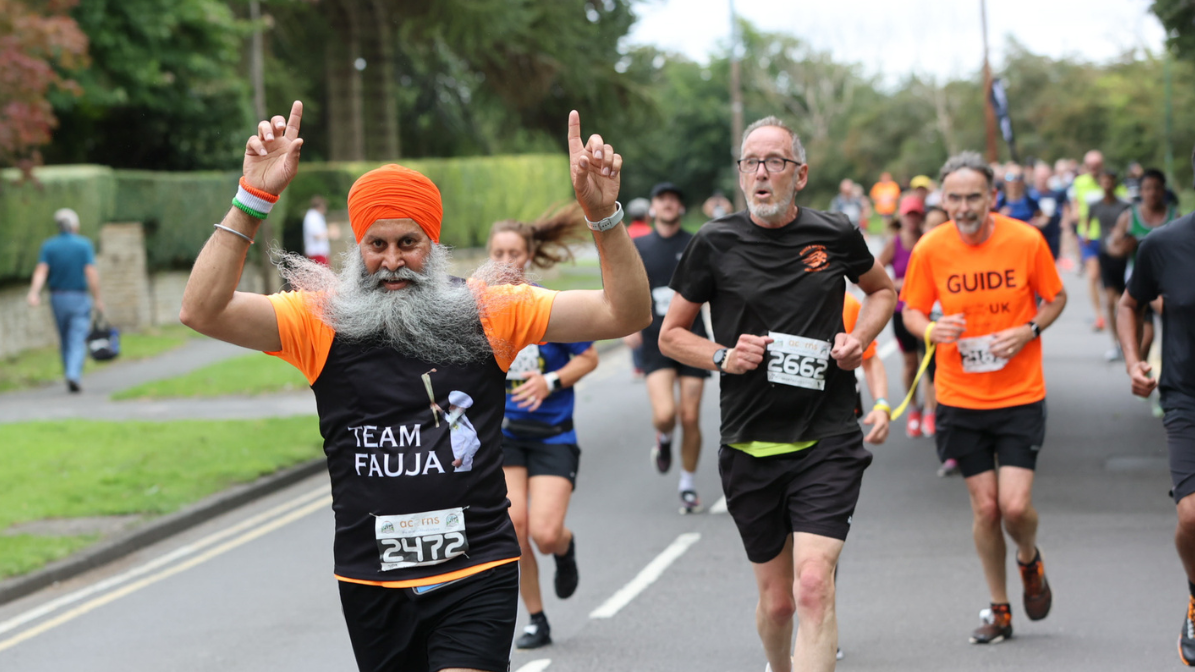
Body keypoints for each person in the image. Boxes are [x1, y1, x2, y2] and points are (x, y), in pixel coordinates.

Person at [178, 101, 650, 672]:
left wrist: (603, 217)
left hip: (476, 571)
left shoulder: (489, 311)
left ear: (434, 244)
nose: (393, 261)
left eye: (409, 243)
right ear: (358, 249)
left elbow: (624, 313)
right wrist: (251, 200)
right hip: (372, 581)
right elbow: (202, 310)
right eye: (376, 245)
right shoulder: (320, 319)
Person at [659, 116, 896, 672]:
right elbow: (671, 336)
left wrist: (858, 338)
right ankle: (779, 664)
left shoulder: (834, 233)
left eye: (774, 162)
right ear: (741, 174)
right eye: (751, 163)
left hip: (827, 437)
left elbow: (883, 292)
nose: (761, 173)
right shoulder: (713, 242)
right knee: (779, 602)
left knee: (813, 585)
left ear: (800, 174)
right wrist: (723, 356)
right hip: (750, 443)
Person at [900, 151, 1066, 645]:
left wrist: (1028, 330)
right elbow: (911, 311)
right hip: (959, 397)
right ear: (944, 199)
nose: (964, 207)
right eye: (954, 198)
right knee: (986, 509)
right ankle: (1000, 609)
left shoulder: (1025, 240)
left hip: (1019, 394)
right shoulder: (931, 247)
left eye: (973, 197)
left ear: (992, 197)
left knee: (1014, 508)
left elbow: (1056, 297)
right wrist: (931, 329)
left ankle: (1029, 558)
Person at [486, 205, 599, 649]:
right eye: (498, 253)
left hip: (553, 435)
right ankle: (536, 618)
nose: (505, 262)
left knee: (545, 534)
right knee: (514, 527)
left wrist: (549, 381)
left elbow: (588, 358)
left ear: (528, 256)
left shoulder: (548, 307)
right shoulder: (478, 311)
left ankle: (565, 548)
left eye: (514, 253)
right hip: (505, 438)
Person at [1116, 147, 1195, 667]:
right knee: (1192, 516)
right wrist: (1134, 360)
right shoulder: (1165, 244)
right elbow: (1130, 303)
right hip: (1187, 395)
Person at [623, 182, 711, 513]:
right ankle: (664, 438)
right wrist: (627, 325)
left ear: (681, 207)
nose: (668, 204)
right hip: (654, 340)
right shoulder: (639, 246)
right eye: (662, 199)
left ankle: (687, 485)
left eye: (674, 199)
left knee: (690, 416)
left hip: (692, 339)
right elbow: (623, 285)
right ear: (653, 208)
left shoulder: (696, 244)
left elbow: (715, 287)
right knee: (665, 415)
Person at [26, 208, 105, 393]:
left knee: (65, 338)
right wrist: (98, 298)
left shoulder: (49, 246)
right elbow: (91, 273)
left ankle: (69, 372)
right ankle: (73, 374)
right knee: (78, 337)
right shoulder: (83, 245)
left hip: (57, 298)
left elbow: (41, 271)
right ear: (75, 226)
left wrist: (34, 292)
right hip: (78, 297)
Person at [1108, 168, 1181, 367]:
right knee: (1147, 335)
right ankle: (1140, 368)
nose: (1152, 193)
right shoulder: (1129, 216)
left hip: (1168, 280)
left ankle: (1164, 368)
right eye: (1147, 188)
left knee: (1171, 323)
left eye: (1157, 188)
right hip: (1139, 279)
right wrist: (1124, 248)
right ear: (1141, 191)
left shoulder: (1174, 216)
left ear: (1163, 190)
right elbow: (1112, 247)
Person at [878, 195, 934, 439]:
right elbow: (872, 272)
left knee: (930, 364)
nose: (912, 219)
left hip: (927, 312)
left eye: (916, 214)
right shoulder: (895, 243)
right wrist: (898, 283)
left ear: (921, 217)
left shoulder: (928, 240)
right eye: (908, 214)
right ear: (901, 217)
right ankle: (914, 409)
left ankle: (931, 411)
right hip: (902, 312)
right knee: (911, 364)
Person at [1088, 171, 1132, 362]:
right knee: (1110, 302)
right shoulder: (1095, 205)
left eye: (1110, 181)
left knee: (1126, 303)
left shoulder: (1125, 206)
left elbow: (1131, 227)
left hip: (1123, 257)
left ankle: (1128, 342)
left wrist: (1121, 235)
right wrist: (1087, 236)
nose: (1107, 184)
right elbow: (1087, 223)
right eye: (1104, 181)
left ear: (1114, 183)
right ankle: (1116, 343)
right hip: (1105, 255)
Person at [1027, 162, 1066, 261]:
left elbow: (1061, 213)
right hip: (1032, 238)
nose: (1042, 180)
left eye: (1044, 177)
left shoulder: (1056, 195)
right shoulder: (1028, 195)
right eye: (1040, 177)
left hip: (1051, 239)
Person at [303, 195, 331, 265]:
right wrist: (330, 233)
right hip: (316, 252)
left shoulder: (316, 216)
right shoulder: (313, 217)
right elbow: (317, 235)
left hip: (319, 253)